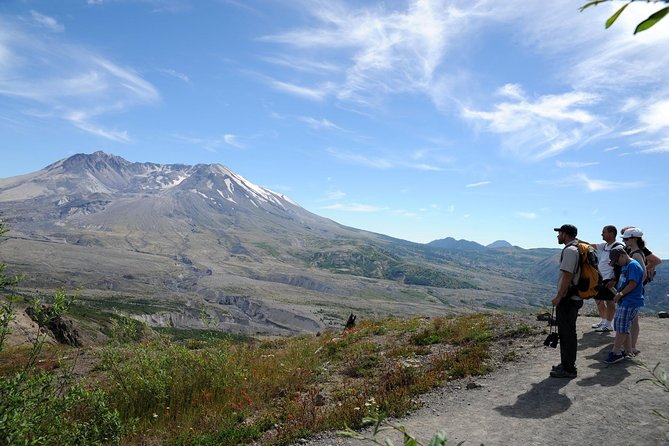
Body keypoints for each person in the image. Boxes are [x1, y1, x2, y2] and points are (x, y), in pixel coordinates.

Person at [620, 227, 662, 355]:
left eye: (626, 239)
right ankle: (629, 347)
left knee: (632, 319)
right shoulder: (633, 251)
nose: (624, 241)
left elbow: (642, 273)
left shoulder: (637, 253)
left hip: (632, 291)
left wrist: (633, 285)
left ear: (633, 239)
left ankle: (631, 347)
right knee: (632, 318)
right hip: (632, 289)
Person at [549, 224, 583, 379]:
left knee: (567, 333)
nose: (557, 236)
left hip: (568, 299)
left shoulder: (570, 251)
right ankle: (567, 363)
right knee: (568, 332)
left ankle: (569, 369)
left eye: (559, 233)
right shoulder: (577, 248)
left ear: (565, 234)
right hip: (573, 298)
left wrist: (559, 296)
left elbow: (568, 276)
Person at [605, 245, 644, 364]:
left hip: (630, 300)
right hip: (625, 300)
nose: (617, 263)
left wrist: (620, 294)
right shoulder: (626, 265)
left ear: (622, 255)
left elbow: (632, 284)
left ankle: (615, 352)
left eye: (617, 260)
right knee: (623, 325)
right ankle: (628, 351)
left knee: (621, 327)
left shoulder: (633, 265)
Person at [588, 225, 622, 332]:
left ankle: (608, 324)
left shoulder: (618, 247)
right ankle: (604, 321)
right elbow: (592, 245)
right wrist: (578, 242)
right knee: (598, 299)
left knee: (609, 301)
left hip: (609, 279)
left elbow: (620, 265)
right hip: (601, 278)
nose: (602, 234)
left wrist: (614, 279)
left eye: (604, 232)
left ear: (611, 233)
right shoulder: (606, 245)